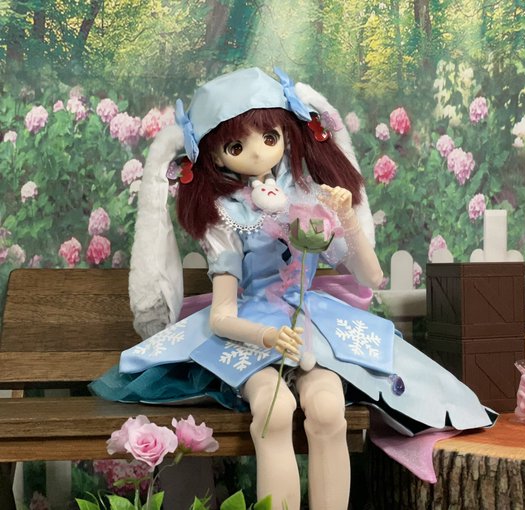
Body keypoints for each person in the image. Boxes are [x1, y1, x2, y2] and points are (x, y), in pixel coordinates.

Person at [91, 67, 495, 510]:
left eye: (269, 137)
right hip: (250, 329)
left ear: (287, 133)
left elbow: (372, 277)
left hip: (312, 324)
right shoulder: (225, 217)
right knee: (274, 410)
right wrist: (266, 336)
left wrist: (346, 219)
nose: (258, 152)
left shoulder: (309, 198)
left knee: (327, 410)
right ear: (216, 158)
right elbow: (222, 316)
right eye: (236, 146)